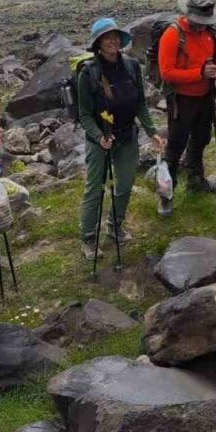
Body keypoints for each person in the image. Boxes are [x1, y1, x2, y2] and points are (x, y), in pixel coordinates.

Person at [76, 18, 163, 259]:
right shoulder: (88, 73)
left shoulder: (132, 66)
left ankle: (115, 227)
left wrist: (151, 131)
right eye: (107, 37)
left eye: (115, 36)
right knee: (94, 189)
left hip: (127, 135)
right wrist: (97, 136)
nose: (112, 40)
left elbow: (140, 104)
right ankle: (88, 237)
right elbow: (83, 114)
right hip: (100, 140)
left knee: (124, 186)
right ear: (98, 43)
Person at [158, 0, 216, 194]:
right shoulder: (173, 35)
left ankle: (195, 181)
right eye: (199, 21)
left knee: (201, 139)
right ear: (189, 14)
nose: (202, 24)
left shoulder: (209, 33)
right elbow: (167, 73)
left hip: (205, 97)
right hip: (181, 100)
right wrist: (199, 73)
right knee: (175, 146)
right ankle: (166, 193)